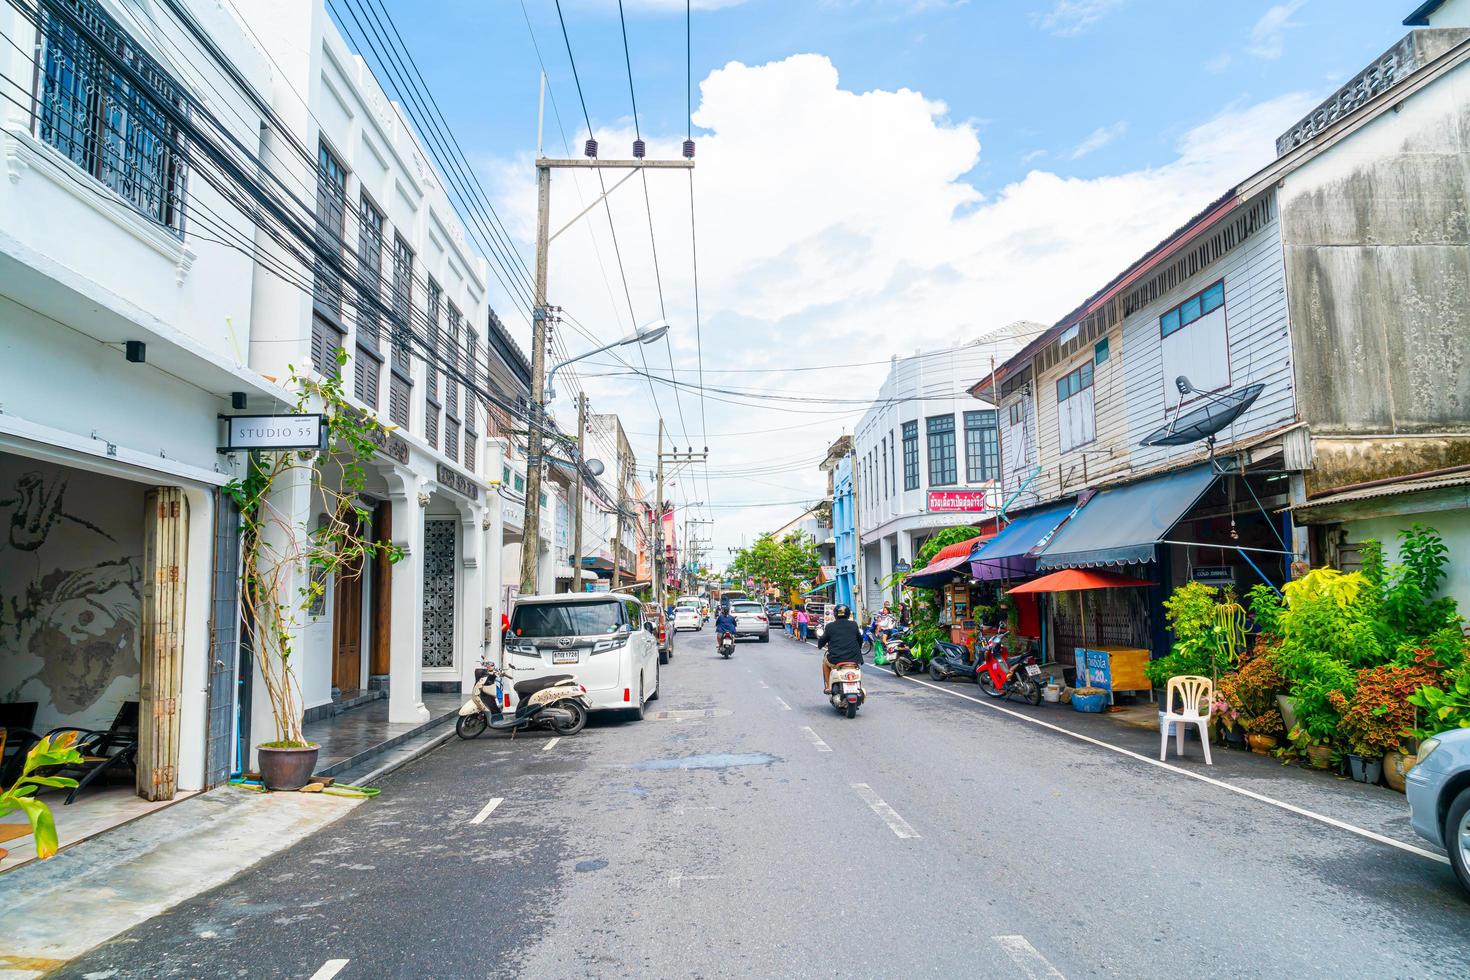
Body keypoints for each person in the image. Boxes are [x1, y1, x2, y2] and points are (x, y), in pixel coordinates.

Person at [817, 604, 863, 693]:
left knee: (825, 663)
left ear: (835, 614)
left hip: (836, 659)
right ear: (848, 614)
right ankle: (858, 686)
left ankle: (828, 687)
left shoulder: (830, 626)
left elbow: (822, 640)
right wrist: (859, 648)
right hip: (854, 658)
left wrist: (820, 645)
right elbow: (860, 639)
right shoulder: (854, 624)